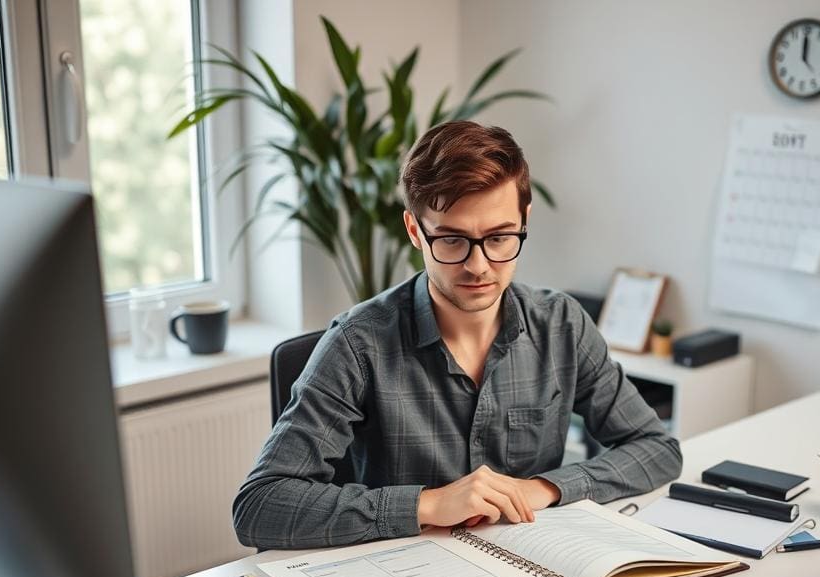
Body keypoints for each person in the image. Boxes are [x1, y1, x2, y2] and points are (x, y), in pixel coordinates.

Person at [232, 121, 682, 549]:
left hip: (531, 565)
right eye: (451, 240)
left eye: (501, 237)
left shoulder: (561, 324)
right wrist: (428, 504)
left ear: (525, 219)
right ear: (415, 231)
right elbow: (260, 505)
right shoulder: (357, 344)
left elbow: (657, 448)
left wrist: (544, 488)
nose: (479, 266)